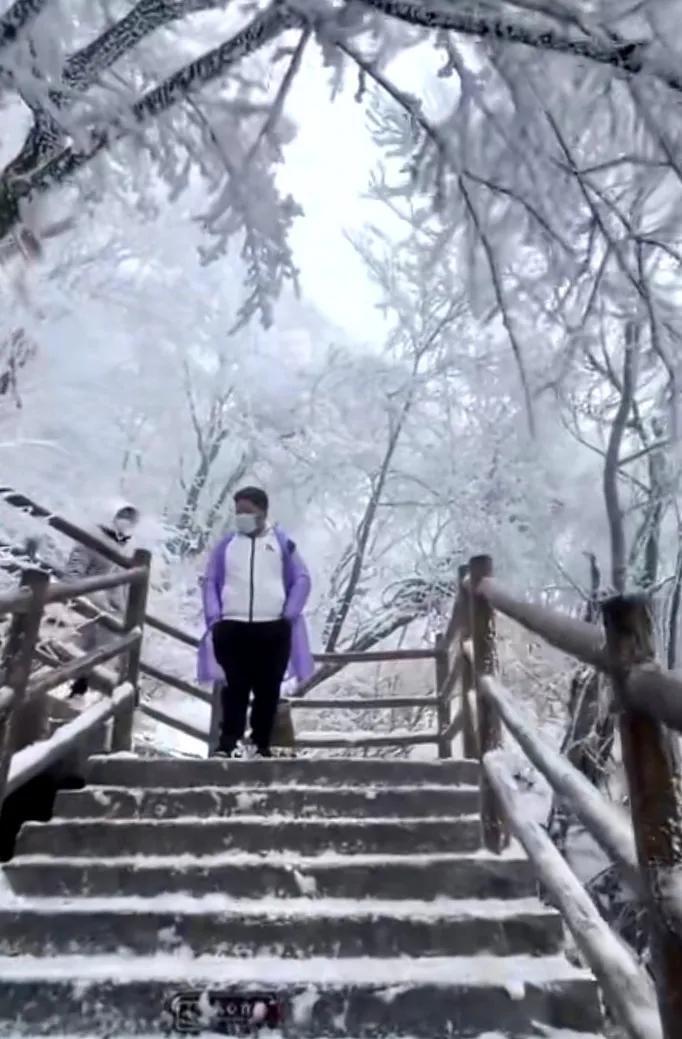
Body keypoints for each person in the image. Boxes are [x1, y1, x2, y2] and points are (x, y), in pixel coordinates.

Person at [197, 487, 313, 758]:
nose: (242, 517)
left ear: (262, 511)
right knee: (234, 687)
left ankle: (261, 744)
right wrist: (215, 617)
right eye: (238, 512)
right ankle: (228, 744)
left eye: (247, 511)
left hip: (273, 628)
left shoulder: (282, 543)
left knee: (267, 689)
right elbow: (210, 581)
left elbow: (302, 579)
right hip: (232, 627)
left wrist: (289, 614)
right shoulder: (226, 546)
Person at [64, 500, 140, 698]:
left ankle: (83, 691)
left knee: (105, 651)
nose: (126, 522)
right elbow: (74, 571)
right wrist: (73, 597)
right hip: (86, 604)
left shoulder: (124, 549)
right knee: (78, 650)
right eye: (122, 516)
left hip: (109, 611)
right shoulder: (92, 539)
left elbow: (119, 587)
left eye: (131, 519)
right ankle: (72, 688)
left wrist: (122, 609)